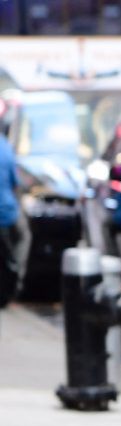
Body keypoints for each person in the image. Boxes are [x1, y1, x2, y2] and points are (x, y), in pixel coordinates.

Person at [0, 128, 19, 309]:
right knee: (23, 237)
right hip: (5, 213)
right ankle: (17, 283)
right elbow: (15, 183)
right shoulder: (5, 147)